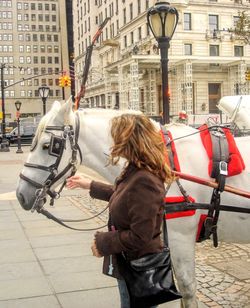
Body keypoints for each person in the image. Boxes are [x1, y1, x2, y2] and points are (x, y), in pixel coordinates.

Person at [66, 113, 174, 308]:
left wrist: (102, 243)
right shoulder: (136, 171)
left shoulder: (144, 179)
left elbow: (140, 236)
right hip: (129, 264)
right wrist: (90, 185)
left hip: (138, 268)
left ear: (128, 141)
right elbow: (125, 196)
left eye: (116, 135)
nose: (112, 141)